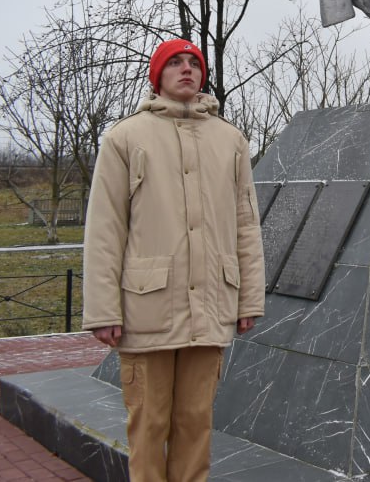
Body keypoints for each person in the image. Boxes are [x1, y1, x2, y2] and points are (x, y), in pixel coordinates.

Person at [82, 39, 265, 482]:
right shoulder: (125, 137)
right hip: (147, 308)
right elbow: (106, 228)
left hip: (211, 307)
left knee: (195, 423)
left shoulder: (231, 140)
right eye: (175, 63)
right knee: (149, 424)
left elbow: (246, 225)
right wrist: (104, 309)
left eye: (194, 63)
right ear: (157, 75)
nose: (187, 70)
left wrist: (249, 300)